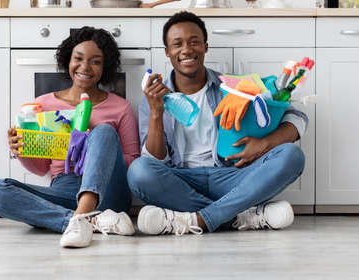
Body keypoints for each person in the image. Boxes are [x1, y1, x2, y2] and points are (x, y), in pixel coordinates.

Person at [127, 11, 307, 235]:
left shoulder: (233, 87)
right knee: (139, 171)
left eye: (194, 42)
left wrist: (266, 144)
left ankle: (196, 219)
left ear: (205, 47)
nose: (186, 50)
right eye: (177, 44)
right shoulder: (153, 99)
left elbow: (297, 117)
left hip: (231, 176)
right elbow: (155, 160)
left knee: (292, 155)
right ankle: (238, 216)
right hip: (182, 181)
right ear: (167, 52)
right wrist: (156, 113)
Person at [0, 26, 140, 248]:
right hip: (64, 188)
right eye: (78, 58)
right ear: (68, 60)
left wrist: (93, 145)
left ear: (104, 67)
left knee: (104, 131)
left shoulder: (120, 108)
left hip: (109, 192)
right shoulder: (43, 104)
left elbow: (133, 162)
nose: (85, 67)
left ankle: (79, 217)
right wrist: (21, 148)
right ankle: (89, 220)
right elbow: (40, 169)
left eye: (95, 61)